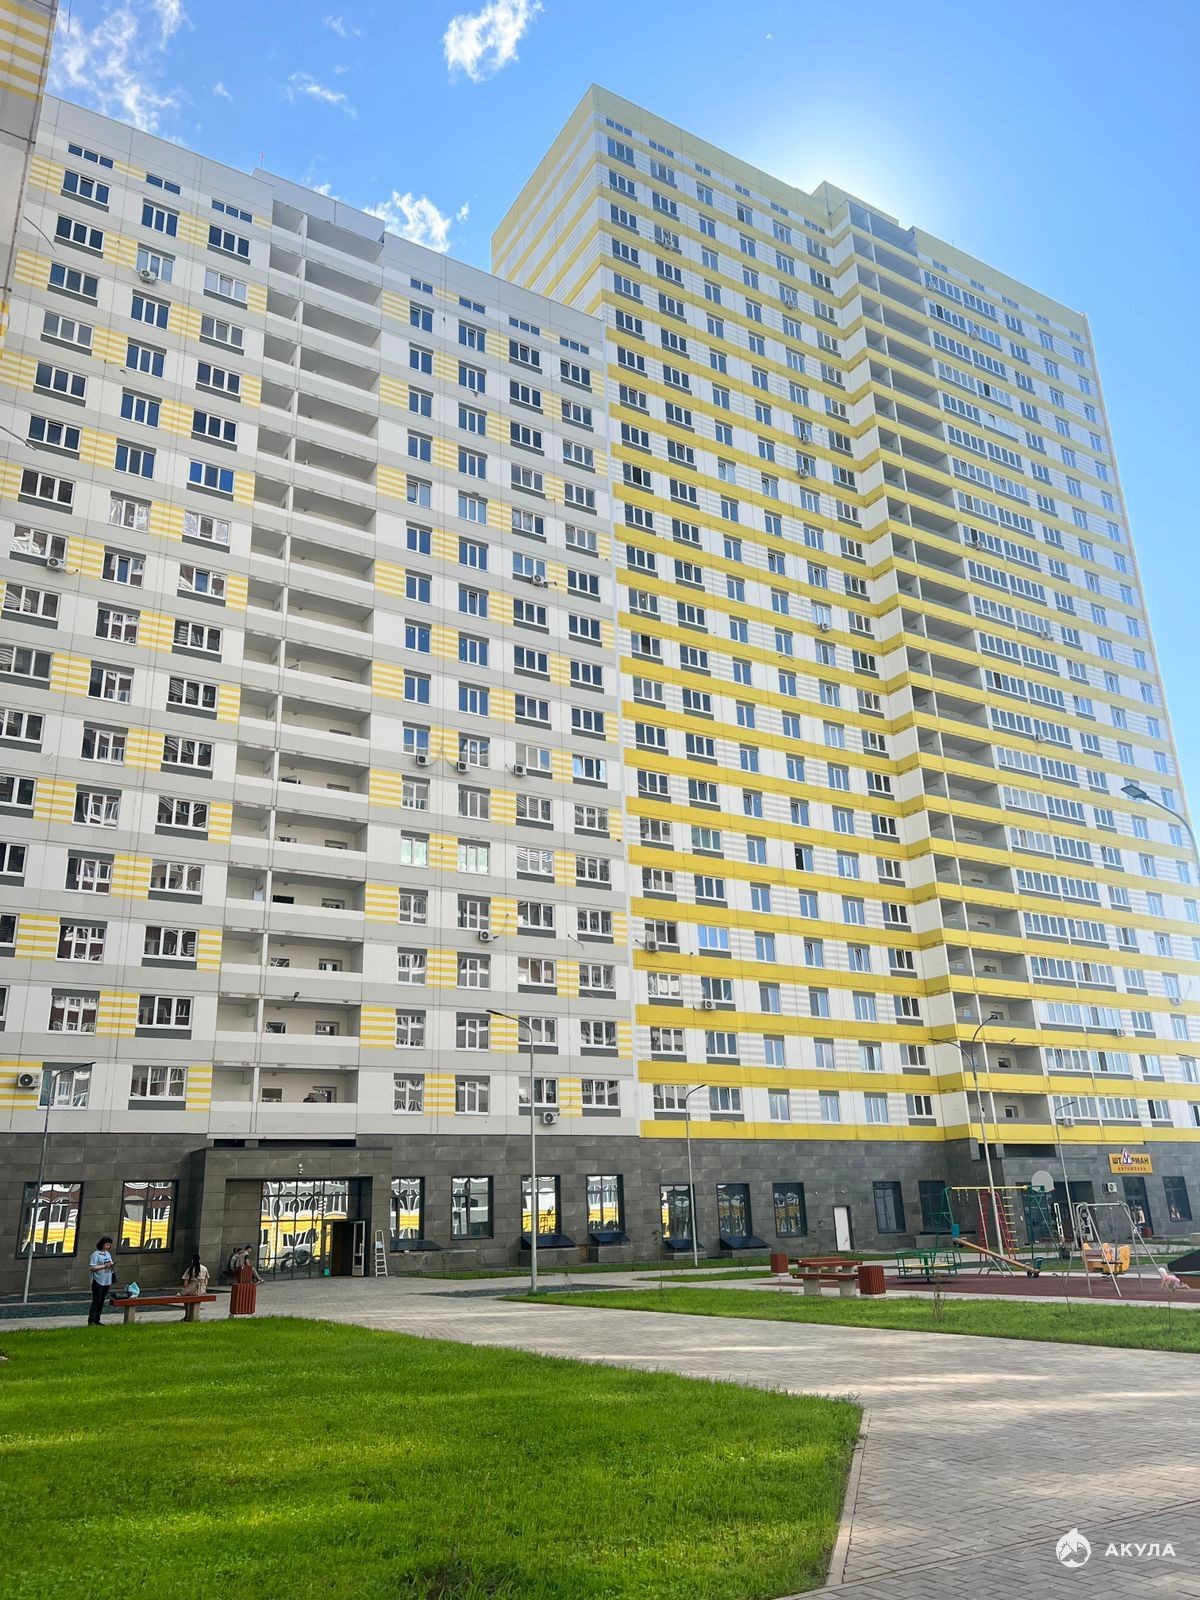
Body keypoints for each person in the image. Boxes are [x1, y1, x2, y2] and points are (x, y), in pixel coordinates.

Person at [87, 1236, 115, 1325]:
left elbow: (110, 1263)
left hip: (107, 1280)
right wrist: (104, 1266)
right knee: (97, 1300)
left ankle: (97, 1319)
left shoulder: (108, 1254)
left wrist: (111, 1265)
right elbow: (92, 1268)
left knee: (102, 1300)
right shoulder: (95, 1254)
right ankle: (91, 1320)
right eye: (107, 1244)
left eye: (109, 1245)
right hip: (98, 1280)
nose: (108, 1246)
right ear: (102, 1244)